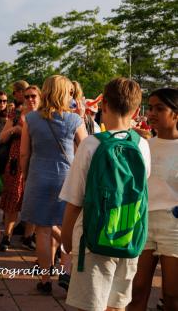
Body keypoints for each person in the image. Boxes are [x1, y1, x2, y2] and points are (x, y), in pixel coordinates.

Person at [60, 77, 151, 311]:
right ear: (137, 110)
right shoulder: (142, 145)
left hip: (93, 239)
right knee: (117, 306)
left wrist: (66, 240)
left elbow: (75, 199)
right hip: (128, 235)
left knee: (90, 306)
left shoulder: (91, 144)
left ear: (104, 106)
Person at [20, 75, 87, 294]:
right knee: (67, 226)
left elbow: (24, 153)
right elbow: (87, 149)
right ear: (64, 93)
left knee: (43, 230)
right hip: (66, 179)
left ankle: (45, 278)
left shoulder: (30, 119)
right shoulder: (74, 120)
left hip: (38, 176)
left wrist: (27, 174)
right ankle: (66, 271)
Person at [128, 88, 178, 311]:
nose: (152, 113)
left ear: (176, 114)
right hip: (143, 222)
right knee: (136, 290)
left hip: (174, 227)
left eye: (160, 108)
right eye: (150, 107)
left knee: (172, 294)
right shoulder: (142, 145)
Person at [0, 85, 40, 252]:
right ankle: (6, 236)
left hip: (35, 161)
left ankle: (28, 236)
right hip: (16, 162)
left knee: (34, 201)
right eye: (27, 96)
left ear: (40, 98)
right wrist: (15, 129)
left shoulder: (43, 116)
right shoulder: (16, 114)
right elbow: (1, 137)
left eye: (33, 96)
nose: (30, 99)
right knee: (12, 201)